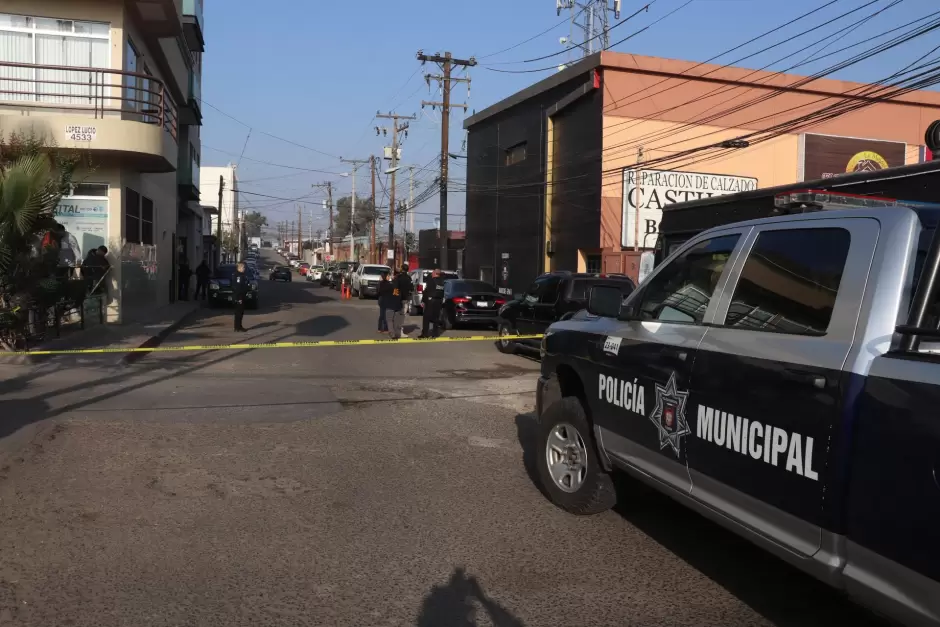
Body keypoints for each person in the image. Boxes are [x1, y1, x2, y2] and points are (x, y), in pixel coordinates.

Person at [419, 268, 445, 338]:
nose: (431, 274)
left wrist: (423, 301)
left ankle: (425, 334)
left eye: (432, 273)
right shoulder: (442, 282)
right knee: (436, 318)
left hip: (431, 301)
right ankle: (435, 334)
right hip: (439, 301)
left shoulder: (431, 280)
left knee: (426, 317)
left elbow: (426, 291)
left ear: (435, 273)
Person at [232, 261, 249, 332]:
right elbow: (238, 287)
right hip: (239, 296)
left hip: (241, 296)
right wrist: (239, 298)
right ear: (240, 268)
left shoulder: (242, 275)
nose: (244, 269)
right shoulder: (238, 276)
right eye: (243, 267)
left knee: (240, 312)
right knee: (239, 312)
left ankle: (238, 326)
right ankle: (237, 327)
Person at [376, 270, 392, 334]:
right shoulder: (389, 284)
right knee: (385, 315)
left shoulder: (380, 284)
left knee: (382, 315)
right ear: (385, 276)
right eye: (388, 276)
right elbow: (394, 292)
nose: (389, 277)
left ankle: (380, 328)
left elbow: (377, 292)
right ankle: (385, 329)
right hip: (386, 301)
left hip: (381, 301)